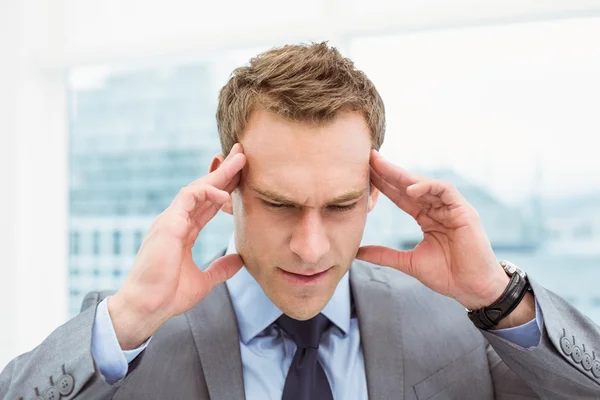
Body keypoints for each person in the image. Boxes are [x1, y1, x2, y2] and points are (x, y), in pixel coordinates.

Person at [1, 42, 599, 400]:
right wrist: (130, 317)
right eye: (279, 203)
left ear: (372, 194)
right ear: (225, 184)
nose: (311, 249)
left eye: (339, 205)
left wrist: (499, 296)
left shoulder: (467, 324)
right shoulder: (128, 340)